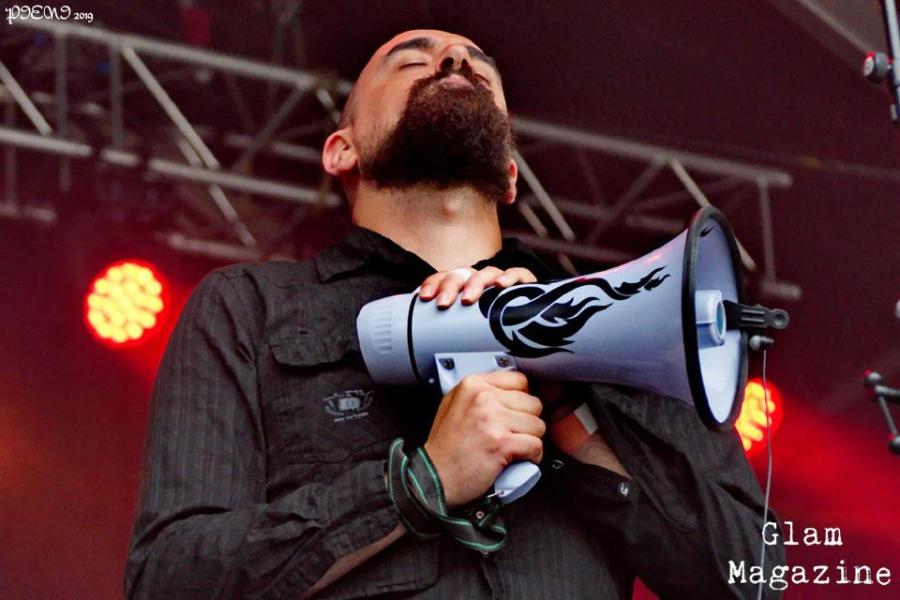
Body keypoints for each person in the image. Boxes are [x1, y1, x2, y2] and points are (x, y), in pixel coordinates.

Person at [125, 29, 785, 599]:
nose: (453, 61)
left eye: (479, 69)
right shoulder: (250, 308)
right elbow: (168, 579)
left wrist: (576, 419)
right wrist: (418, 483)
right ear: (341, 150)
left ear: (510, 173)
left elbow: (755, 580)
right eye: (411, 60)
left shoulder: (625, 324)